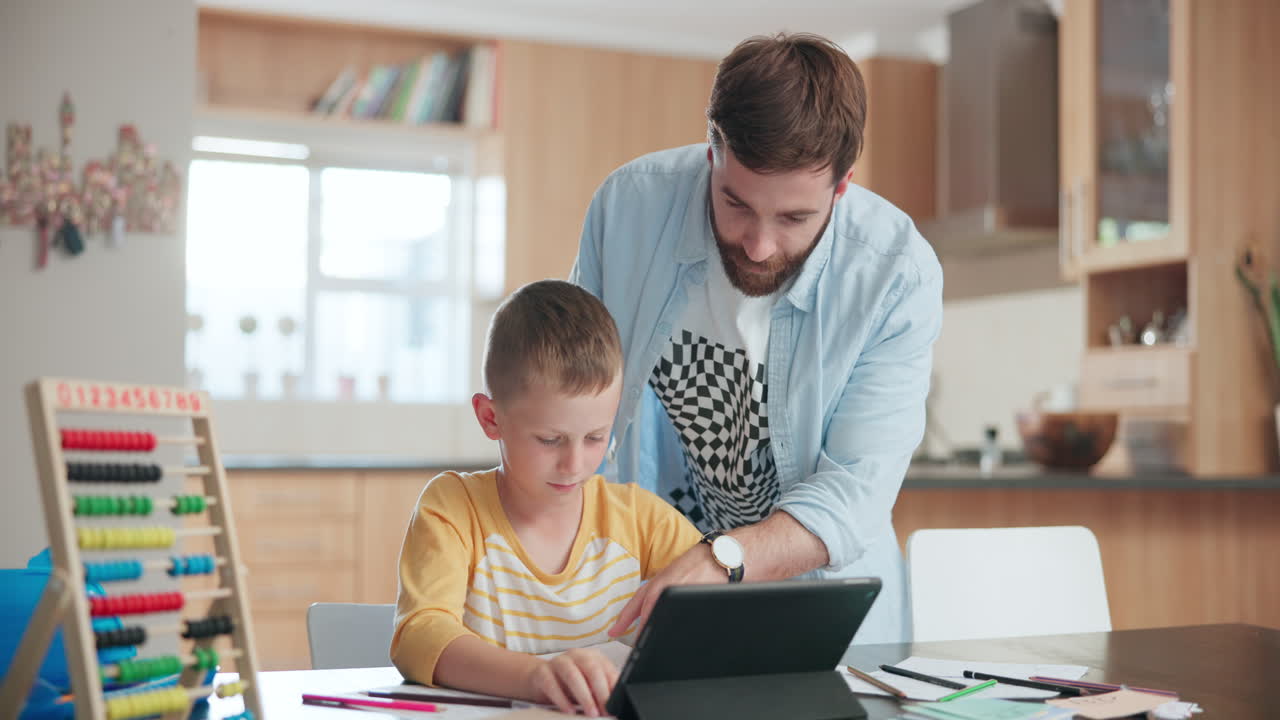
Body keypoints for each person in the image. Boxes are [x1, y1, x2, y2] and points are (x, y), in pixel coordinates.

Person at [570, 32, 944, 645]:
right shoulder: (628, 209)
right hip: (653, 591)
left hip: (826, 616)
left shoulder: (896, 274)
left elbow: (854, 492)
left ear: (841, 185)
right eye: (736, 204)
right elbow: (571, 387)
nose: (759, 245)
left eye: (794, 218)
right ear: (712, 154)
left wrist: (723, 558)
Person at [391, 280, 702, 716]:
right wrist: (537, 677)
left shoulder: (641, 519)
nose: (574, 464)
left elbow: (720, 616)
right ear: (490, 417)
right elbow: (419, 636)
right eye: (550, 440)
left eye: (596, 437)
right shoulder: (453, 509)